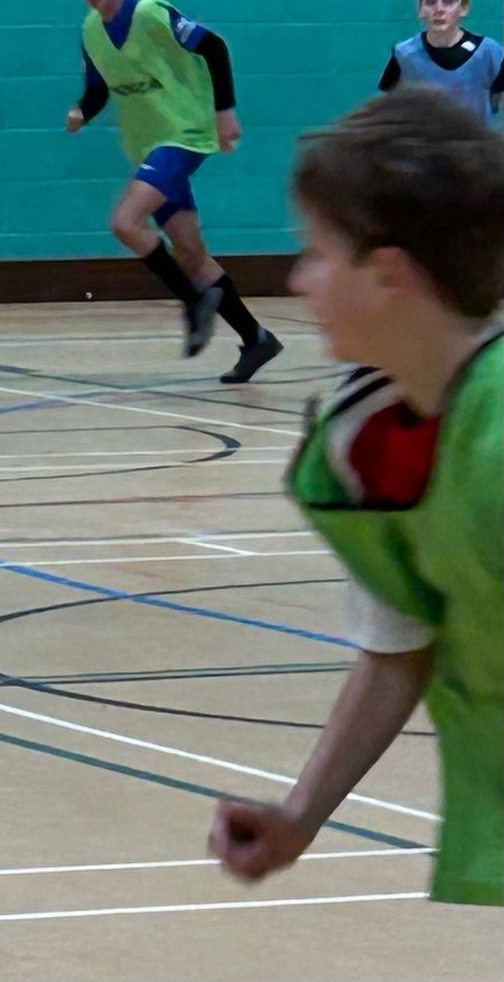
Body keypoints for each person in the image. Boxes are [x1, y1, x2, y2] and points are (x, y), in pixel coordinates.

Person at [210, 87, 502, 908]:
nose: (299, 280)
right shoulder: (369, 443)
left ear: (389, 275)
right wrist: (300, 818)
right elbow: (397, 644)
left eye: (315, 252)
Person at [65, 0, 281, 383]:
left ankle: (190, 301)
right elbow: (100, 87)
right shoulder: (90, 30)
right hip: (149, 144)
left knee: (125, 223)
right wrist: (82, 111)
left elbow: (215, 47)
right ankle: (255, 337)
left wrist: (225, 113)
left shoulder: (150, 14)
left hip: (183, 134)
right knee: (190, 251)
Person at [375, 0, 502, 124]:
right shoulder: (404, 54)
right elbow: (389, 107)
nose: (439, 10)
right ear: (421, 10)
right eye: (430, 2)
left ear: (464, 8)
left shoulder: (489, 52)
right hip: (425, 146)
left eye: (448, 2)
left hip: (475, 146)